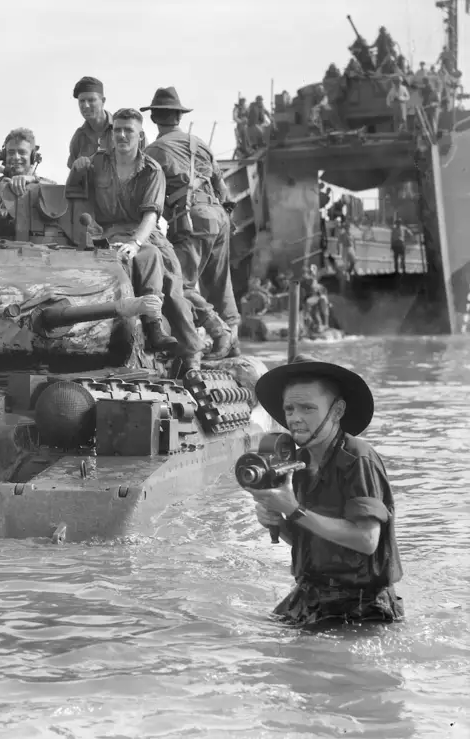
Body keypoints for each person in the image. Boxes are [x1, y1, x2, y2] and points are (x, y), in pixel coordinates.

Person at [249, 354, 404, 627]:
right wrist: (276, 519)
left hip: (361, 606)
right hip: (310, 596)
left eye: (307, 409)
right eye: (289, 409)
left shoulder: (358, 459)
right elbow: (309, 540)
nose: (295, 418)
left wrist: (293, 510)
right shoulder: (298, 464)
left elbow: (366, 541)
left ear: (337, 411)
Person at [66, 107, 203, 371]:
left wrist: (136, 243)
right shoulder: (97, 162)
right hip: (108, 232)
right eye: (117, 129)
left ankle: (191, 356)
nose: (121, 135)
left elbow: (151, 215)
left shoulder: (151, 169)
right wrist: (76, 167)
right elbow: (72, 192)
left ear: (140, 136)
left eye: (128, 130)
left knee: (173, 284)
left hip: (143, 230)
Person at [143, 87, 239, 359]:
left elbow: (147, 192)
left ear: (154, 119)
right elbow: (222, 186)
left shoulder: (154, 151)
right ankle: (234, 345)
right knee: (220, 284)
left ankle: (217, 331)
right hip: (219, 217)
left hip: (191, 219)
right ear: (178, 116)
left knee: (178, 284)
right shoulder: (200, 143)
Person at [0, 128, 55, 241]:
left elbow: (59, 197)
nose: (16, 157)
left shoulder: (46, 186)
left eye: (22, 152)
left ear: (32, 157)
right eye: (11, 152)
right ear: (4, 156)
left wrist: (32, 180)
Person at [67, 76, 116, 169]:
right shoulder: (79, 137)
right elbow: (74, 175)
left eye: (91, 100)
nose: (86, 105)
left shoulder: (124, 129)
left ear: (103, 101)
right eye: (82, 101)